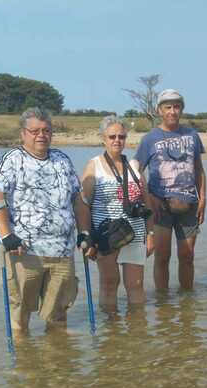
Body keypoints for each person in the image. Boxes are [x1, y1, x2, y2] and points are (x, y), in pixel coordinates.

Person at [0, 107, 91, 331]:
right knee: (21, 314)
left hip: (62, 252)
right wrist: (6, 235)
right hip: (23, 251)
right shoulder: (11, 159)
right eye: (34, 131)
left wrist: (84, 232)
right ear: (23, 133)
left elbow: (78, 198)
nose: (41, 135)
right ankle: (24, 364)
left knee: (58, 316)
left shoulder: (62, 160)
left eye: (46, 130)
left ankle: (55, 363)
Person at [132, 89, 206, 290]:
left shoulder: (192, 135)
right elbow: (135, 171)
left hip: (189, 205)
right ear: (159, 110)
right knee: (162, 257)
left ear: (181, 109)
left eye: (176, 107)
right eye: (168, 107)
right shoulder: (149, 139)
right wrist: (149, 197)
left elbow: (198, 168)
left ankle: (187, 303)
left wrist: (203, 199)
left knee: (187, 256)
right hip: (161, 207)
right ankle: (163, 303)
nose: (172, 111)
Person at [80, 116, 154, 310]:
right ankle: (111, 334)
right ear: (103, 139)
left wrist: (151, 233)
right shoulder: (93, 165)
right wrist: (86, 236)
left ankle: (137, 330)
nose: (117, 141)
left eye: (121, 136)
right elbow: (83, 204)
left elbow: (147, 202)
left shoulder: (135, 166)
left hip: (135, 232)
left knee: (136, 285)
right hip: (106, 234)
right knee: (109, 284)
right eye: (112, 136)